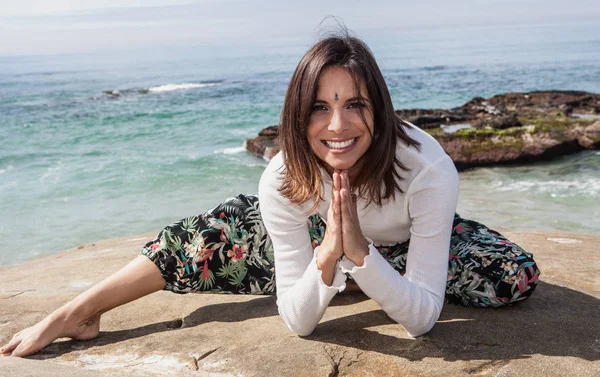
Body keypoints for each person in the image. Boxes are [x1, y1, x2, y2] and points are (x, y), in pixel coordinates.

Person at [1, 35, 540, 358]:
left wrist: (361, 255)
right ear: (296, 114)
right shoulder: (283, 176)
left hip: (397, 245)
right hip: (316, 242)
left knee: (511, 274)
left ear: (380, 104)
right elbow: (298, 322)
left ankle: (355, 279)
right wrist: (328, 256)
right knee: (208, 238)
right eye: (318, 109)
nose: (338, 126)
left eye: (356, 104)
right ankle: (78, 313)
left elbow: (422, 320)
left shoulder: (426, 168)